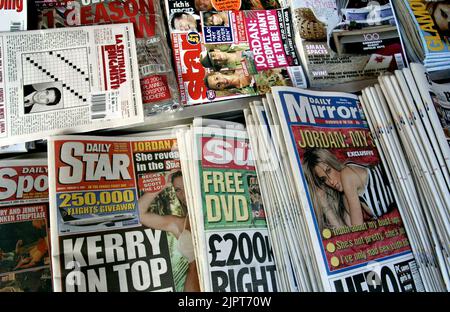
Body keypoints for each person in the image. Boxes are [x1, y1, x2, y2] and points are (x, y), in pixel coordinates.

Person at [302, 148, 394, 230]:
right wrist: (326, 206)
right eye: (324, 179)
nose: (331, 182)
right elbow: (347, 233)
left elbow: (358, 231)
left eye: (329, 170)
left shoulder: (347, 175)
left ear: (332, 162)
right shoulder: (345, 194)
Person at [138, 170, 200, 292]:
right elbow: (139, 214)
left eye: (187, 185)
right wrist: (160, 184)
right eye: (178, 189)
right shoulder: (179, 224)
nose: (184, 194)